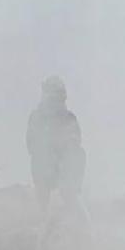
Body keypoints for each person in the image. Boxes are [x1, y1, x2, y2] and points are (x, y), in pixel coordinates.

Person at [26, 75, 85, 214]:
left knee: (80, 154)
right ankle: (43, 216)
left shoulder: (69, 118)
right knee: (43, 208)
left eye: (58, 95)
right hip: (43, 171)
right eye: (52, 94)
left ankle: (72, 207)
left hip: (65, 172)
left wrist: (64, 151)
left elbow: (76, 142)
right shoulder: (37, 117)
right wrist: (48, 152)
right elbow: (31, 144)